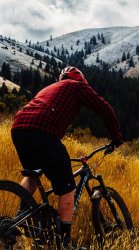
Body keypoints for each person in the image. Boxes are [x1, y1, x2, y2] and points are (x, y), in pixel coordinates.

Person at [11, 66, 123, 248]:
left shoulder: (50, 88)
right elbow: (104, 108)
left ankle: (16, 221)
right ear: (80, 80)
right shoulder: (77, 86)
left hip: (18, 128)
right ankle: (63, 242)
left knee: (32, 175)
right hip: (43, 132)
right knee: (67, 185)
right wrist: (116, 137)